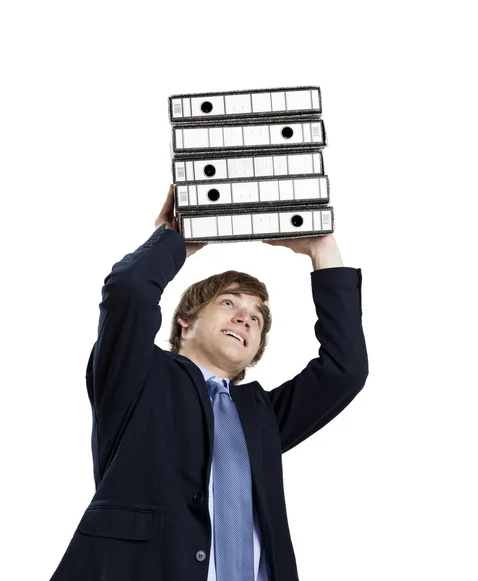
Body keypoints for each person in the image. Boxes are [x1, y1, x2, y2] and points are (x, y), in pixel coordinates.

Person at [49, 184, 368, 581]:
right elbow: (129, 293)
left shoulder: (261, 417)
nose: (245, 319)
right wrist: (176, 239)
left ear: (255, 349)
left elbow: (346, 370)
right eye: (229, 302)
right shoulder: (137, 376)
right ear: (185, 320)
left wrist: (322, 248)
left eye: (257, 317)